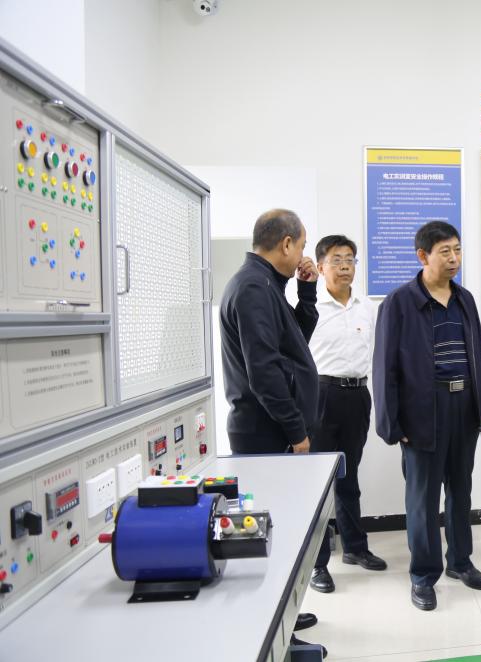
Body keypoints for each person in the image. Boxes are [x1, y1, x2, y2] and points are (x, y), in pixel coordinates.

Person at [372, 221, 481, 611]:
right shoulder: (399, 303)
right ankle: (423, 576)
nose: (454, 258)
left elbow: (477, 355)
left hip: (464, 406)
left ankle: (460, 561)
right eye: (445, 251)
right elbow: (384, 368)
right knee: (423, 498)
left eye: (457, 250)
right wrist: (392, 423)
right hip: (423, 410)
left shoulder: (465, 299)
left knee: (460, 489)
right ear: (423, 255)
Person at [218, 208, 325, 655]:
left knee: (281, 531)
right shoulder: (253, 288)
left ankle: (285, 617)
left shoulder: (263, 285)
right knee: (270, 534)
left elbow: (292, 345)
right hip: (267, 434)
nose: (302, 254)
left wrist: (306, 292)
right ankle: (277, 637)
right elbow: (264, 374)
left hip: (270, 430)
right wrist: (297, 431)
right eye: (301, 246)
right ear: (286, 244)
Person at [308, 235, 387, 595]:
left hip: (358, 396)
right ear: (320, 266)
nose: (344, 267)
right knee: (319, 483)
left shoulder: (366, 307)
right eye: (336, 260)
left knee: (349, 476)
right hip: (321, 395)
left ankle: (355, 547)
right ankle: (317, 563)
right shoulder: (310, 307)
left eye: (350, 260)